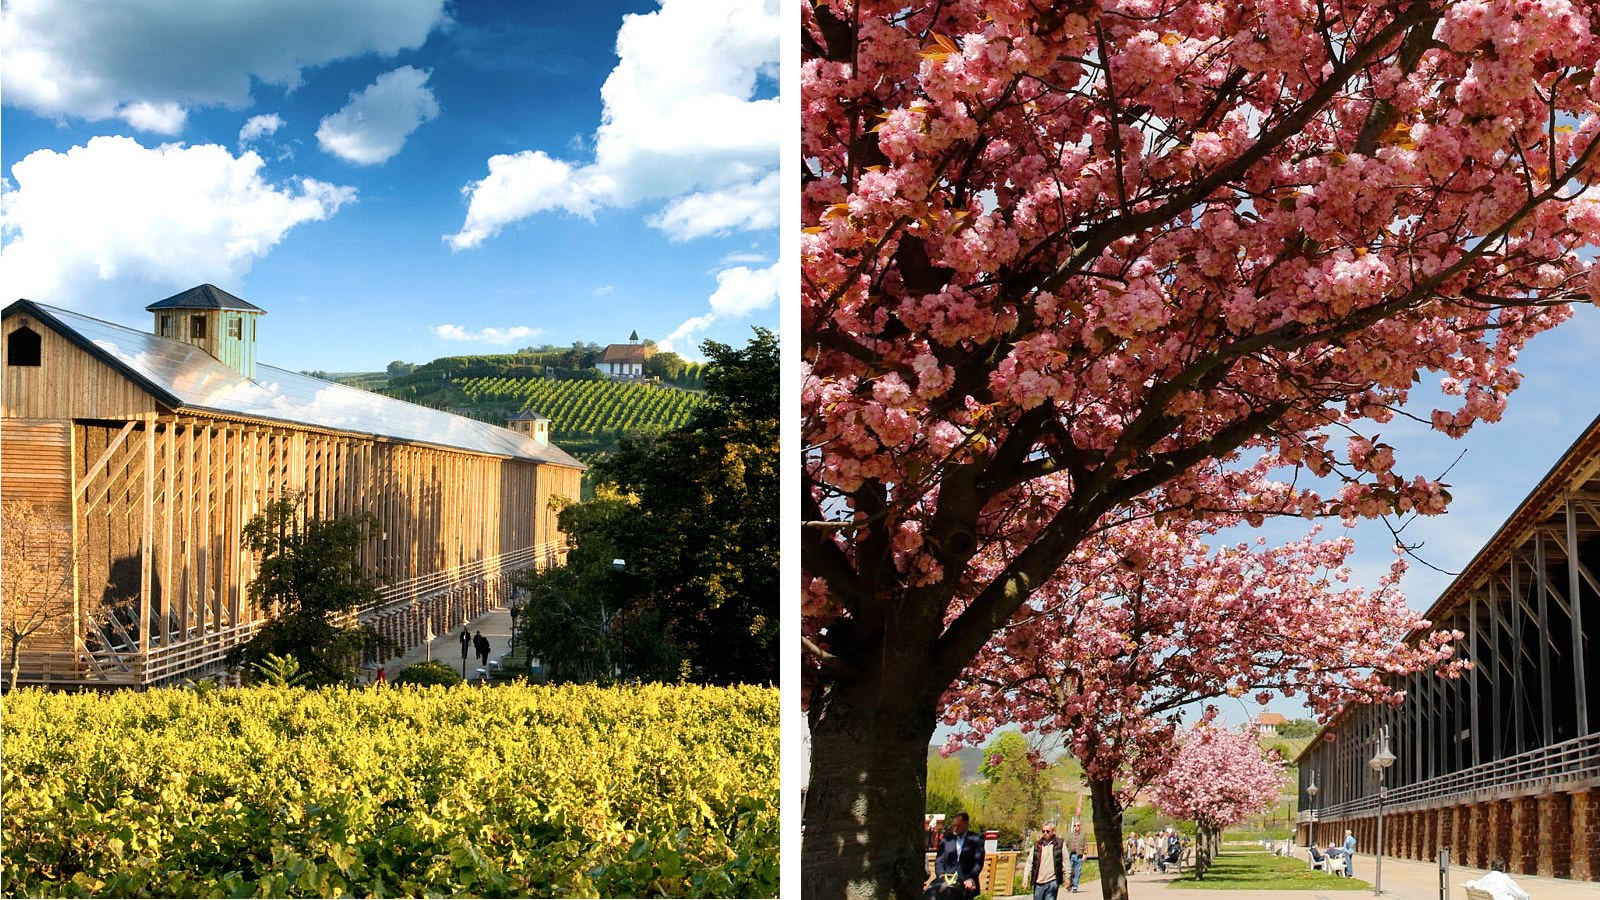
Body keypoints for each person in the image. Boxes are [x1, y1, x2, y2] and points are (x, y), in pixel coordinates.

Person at [933, 812, 984, 900]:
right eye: (954, 825)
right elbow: (939, 859)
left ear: (966, 824)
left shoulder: (976, 839)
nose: (955, 828)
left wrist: (971, 878)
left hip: (966, 883)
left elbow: (978, 862)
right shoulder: (946, 839)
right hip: (947, 883)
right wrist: (940, 875)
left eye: (958, 826)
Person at [1464, 857, 1531, 900]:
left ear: (1492, 867)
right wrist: (1527, 897)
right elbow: (1521, 894)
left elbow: (1471, 884)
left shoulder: (1486, 878)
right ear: (1503, 868)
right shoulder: (1504, 879)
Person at [1030, 822, 1064, 900]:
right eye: (1043, 831)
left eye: (1047, 831)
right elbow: (1029, 862)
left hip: (1052, 882)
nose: (1045, 833)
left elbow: (1065, 861)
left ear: (1053, 831)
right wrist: (1025, 878)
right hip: (1039, 883)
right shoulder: (1037, 845)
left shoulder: (1060, 844)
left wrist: (1068, 877)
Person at [1064, 820, 1087, 893]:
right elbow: (1065, 845)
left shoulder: (1083, 835)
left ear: (1080, 826)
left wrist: (1085, 854)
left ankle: (1075, 887)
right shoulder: (1070, 834)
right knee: (1069, 871)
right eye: (1075, 825)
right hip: (1070, 856)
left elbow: (1085, 845)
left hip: (1079, 856)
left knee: (1077, 872)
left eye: (1078, 825)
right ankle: (1069, 885)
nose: (1076, 827)